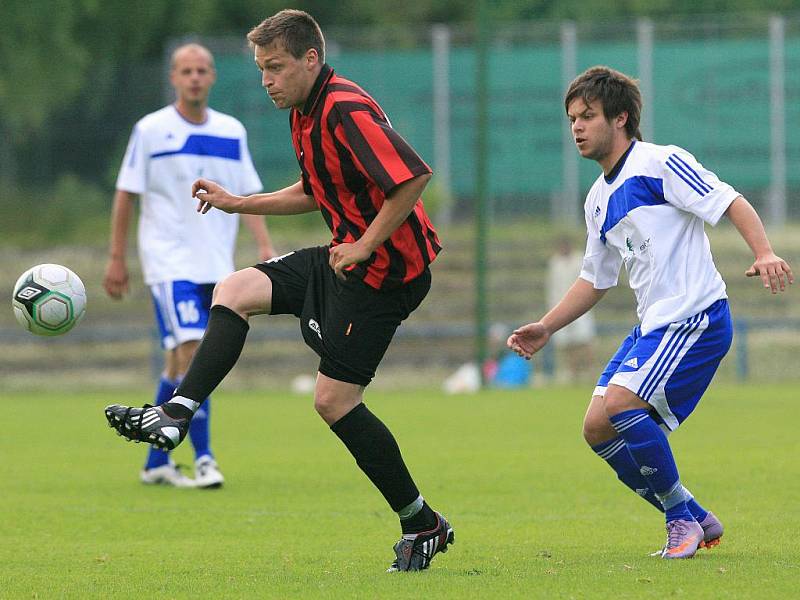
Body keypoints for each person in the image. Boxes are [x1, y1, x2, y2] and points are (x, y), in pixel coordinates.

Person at [104, 10, 453, 572]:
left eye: (276, 68)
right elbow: (315, 190)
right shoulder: (304, 110)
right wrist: (241, 203)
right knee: (235, 288)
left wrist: (364, 244)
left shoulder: (344, 107)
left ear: (310, 60)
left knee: (333, 402)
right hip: (344, 258)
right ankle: (177, 412)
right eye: (262, 69)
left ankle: (423, 523)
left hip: (385, 275)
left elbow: (413, 175)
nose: (267, 80)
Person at [508, 66, 793, 559]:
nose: (577, 127)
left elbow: (730, 201)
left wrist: (764, 252)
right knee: (597, 427)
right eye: (572, 118)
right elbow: (595, 279)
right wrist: (547, 326)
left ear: (621, 118)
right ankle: (692, 512)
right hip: (654, 324)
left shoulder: (661, 163)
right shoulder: (597, 200)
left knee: (621, 405)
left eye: (588, 116)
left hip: (695, 316)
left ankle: (680, 522)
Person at [103, 43, 275, 489]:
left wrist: (263, 247)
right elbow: (126, 192)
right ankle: (204, 458)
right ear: (174, 78)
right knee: (195, 351)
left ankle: (155, 459)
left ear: (212, 76)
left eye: (202, 70)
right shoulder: (150, 129)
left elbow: (247, 196)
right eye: (186, 71)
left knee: (181, 362)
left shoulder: (231, 131)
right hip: (169, 261)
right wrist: (117, 257)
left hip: (216, 264)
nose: (194, 77)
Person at [546, 235, 597, 383]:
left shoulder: (580, 259)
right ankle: (573, 373)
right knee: (567, 344)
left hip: (581, 307)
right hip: (560, 307)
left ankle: (591, 371)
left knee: (585, 340)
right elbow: (552, 288)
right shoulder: (555, 263)